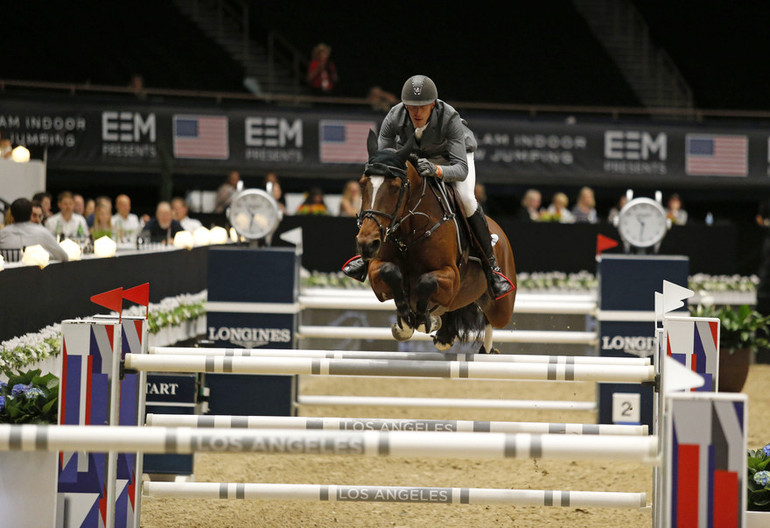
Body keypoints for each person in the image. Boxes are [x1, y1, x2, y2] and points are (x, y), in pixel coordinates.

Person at [342, 75, 513, 300]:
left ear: (433, 104)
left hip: (452, 159)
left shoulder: (449, 118)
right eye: (411, 107)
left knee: (467, 198)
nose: (417, 113)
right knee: (388, 192)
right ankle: (365, 260)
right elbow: (384, 162)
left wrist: (436, 171)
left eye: (422, 107)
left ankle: (492, 269)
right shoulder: (394, 116)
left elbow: (460, 169)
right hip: (416, 156)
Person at [0, 198, 68, 261]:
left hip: (7, 272)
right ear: (30, 214)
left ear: (12, 216)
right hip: (36, 273)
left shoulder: (2, 233)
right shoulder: (42, 232)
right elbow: (63, 256)